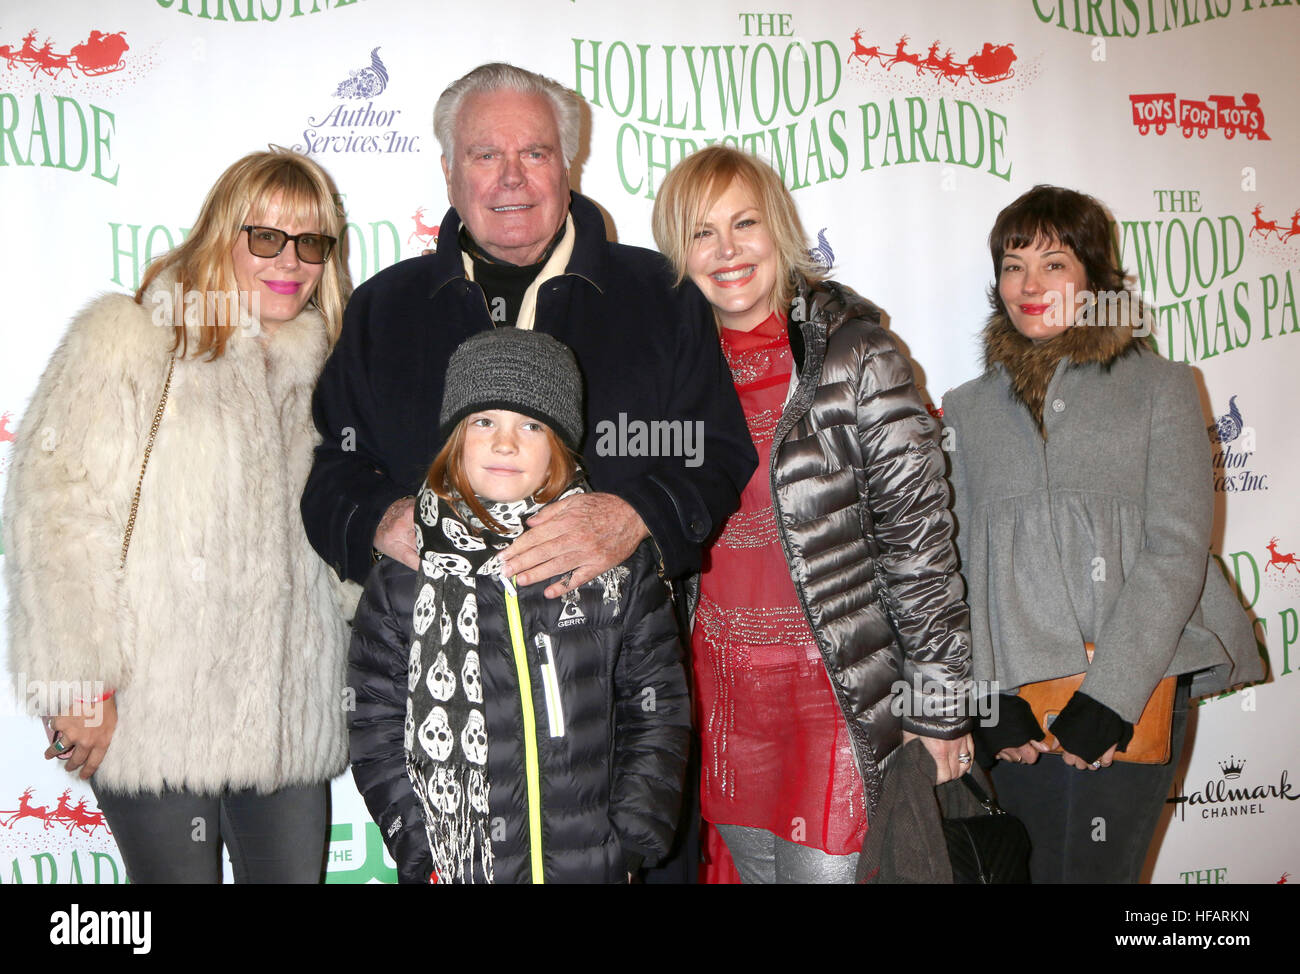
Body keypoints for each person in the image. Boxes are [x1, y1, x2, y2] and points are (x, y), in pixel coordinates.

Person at [4, 149, 353, 883]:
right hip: (153, 710)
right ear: (221, 233)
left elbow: (338, 544)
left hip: (286, 719)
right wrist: (75, 684)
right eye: (266, 236)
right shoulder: (131, 340)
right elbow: (57, 510)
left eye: (311, 242)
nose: (290, 260)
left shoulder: (327, 371)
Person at [301, 62, 754, 600]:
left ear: (567, 166)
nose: (511, 177)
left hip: (616, 662)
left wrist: (634, 517)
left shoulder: (662, 293)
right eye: (486, 155)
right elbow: (333, 469)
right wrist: (381, 519)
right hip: (424, 663)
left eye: (534, 154)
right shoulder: (382, 307)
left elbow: (715, 453)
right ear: (449, 172)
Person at [651, 144, 974, 884]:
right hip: (722, 704)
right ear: (679, 250)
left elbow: (918, 544)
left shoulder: (857, 356)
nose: (727, 251)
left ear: (780, 231)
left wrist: (942, 701)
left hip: (836, 701)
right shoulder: (670, 372)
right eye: (702, 232)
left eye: (745, 224)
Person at [942, 184, 1263, 883]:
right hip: (1017, 714)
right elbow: (957, 561)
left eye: (1054, 263)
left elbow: (1177, 547)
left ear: (1093, 277)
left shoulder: (1162, 386)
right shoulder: (965, 408)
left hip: (1132, 693)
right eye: (1013, 264)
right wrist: (988, 695)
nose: (1030, 284)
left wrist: (1109, 698)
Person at [347, 328, 690, 883]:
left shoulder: (613, 569)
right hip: (462, 866)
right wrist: (422, 845)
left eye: (531, 425)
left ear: (560, 447)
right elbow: (374, 724)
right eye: (484, 422)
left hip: (592, 863)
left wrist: (631, 837)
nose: (505, 443)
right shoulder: (403, 579)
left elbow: (657, 709)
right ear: (455, 441)